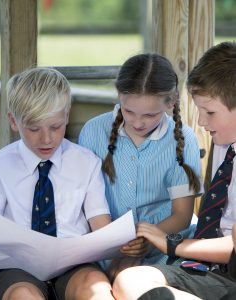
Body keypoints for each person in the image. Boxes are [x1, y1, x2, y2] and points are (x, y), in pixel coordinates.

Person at [0, 67, 115, 300]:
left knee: (95, 288)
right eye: (33, 129)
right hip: (16, 268)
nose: (46, 138)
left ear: (67, 115)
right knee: (23, 295)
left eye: (55, 127)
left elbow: (102, 228)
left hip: (75, 265)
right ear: (14, 121)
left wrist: (116, 243)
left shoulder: (87, 162)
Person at [112, 41, 236, 300]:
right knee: (129, 282)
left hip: (222, 266)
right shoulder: (223, 143)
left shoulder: (190, 139)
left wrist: (171, 243)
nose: (201, 122)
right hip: (204, 268)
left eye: (210, 112)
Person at [78, 53, 202, 277]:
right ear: (119, 96)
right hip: (103, 248)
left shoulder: (184, 140)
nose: (137, 122)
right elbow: (83, 201)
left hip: (164, 249)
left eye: (150, 114)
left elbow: (182, 215)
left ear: (171, 102)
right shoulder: (93, 132)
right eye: (129, 111)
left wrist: (148, 240)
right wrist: (117, 247)